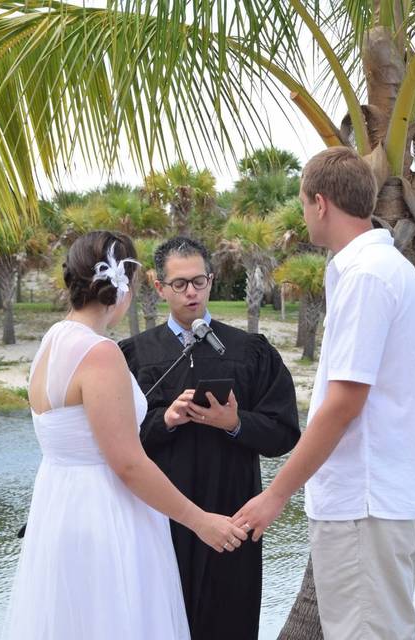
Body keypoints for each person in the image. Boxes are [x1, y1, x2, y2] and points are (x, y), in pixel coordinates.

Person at [233, 147, 415, 640]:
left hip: (365, 505)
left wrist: (275, 496)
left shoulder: (367, 277)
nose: (304, 212)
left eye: (302, 202)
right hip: (376, 504)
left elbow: (344, 403)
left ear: (321, 203)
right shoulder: (380, 269)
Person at [2, 231, 247, 640]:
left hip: (59, 509)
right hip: (106, 516)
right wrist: (200, 521)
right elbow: (128, 463)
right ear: (123, 285)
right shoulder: (99, 354)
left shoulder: (52, 342)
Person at [119, 236, 300, 640]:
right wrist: (164, 420)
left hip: (232, 520)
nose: (191, 293)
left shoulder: (249, 351)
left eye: (199, 282)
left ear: (211, 281)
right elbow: (115, 446)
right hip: (159, 521)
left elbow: (284, 432)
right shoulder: (133, 357)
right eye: (180, 284)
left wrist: (234, 423)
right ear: (160, 286)